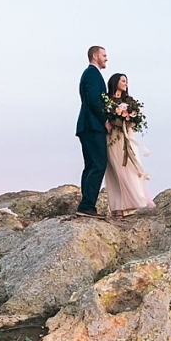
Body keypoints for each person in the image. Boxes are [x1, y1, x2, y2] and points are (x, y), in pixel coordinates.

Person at [104, 73, 154, 218]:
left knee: (132, 168)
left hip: (128, 136)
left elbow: (134, 121)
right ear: (115, 82)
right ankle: (118, 207)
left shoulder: (129, 101)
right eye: (123, 81)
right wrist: (115, 119)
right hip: (113, 137)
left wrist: (129, 119)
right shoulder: (108, 101)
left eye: (126, 81)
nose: (126, 83)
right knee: (116, 170)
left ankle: (134, 203)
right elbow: (106, 117)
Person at [75, 45, 112, 218]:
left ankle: (86, 204)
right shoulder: (91, 73)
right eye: (104, 55)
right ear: (95, 55)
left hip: (87, 126)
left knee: (90, 165)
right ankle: (87, 205)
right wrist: (105, 120)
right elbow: (93, 100)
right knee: (98, 164)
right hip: (92, 126)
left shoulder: (91, 74)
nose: (106, 58)